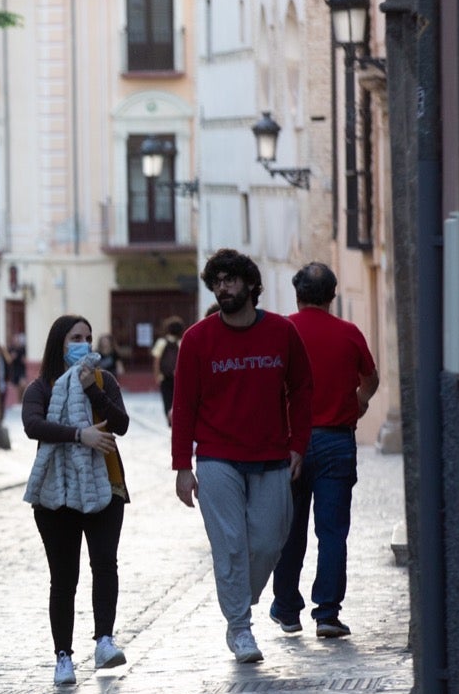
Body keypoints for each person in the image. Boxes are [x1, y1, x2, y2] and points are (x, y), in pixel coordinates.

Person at [171, 249, 313, 664]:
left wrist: (297, 444)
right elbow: (184, 404)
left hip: (271, 455)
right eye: (217, 281)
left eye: (231, 280)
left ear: (251, 285)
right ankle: (240, 627)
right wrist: (183, 466)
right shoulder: (197, 339)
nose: (223, 287)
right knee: (230, 544)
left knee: (270, 541)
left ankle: (238, 594)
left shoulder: (282, 333)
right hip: (216, 458)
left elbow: (302, 388)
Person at [269, 263, 379, 639]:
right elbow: (371, 379)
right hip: (336, 439)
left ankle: (286, 609)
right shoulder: (348, 333)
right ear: (333, 297)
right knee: (332, 532)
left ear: (297, 294)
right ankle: (328, 613)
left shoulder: (282, 331)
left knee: (289, 530)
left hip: (290, 443)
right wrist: (359, 404)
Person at [23, 315, 131, 687]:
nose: (83, 344)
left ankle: (104, 639)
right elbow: (33, 425)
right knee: (64, 577)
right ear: (60, 344)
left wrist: (91, 391)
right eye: (75, 338)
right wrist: (77, 435)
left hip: (107, 486)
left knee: (104, 563)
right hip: (57, 493)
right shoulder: (41, 386)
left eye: (87, 337)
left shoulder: (104, 380)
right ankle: (63, 656)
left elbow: (120, 423)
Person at [150, 317, 185, 425]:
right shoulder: (181, 342)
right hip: (178, 376)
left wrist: (157, 375)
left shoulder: (162, 342)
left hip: (165, 377)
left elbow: (156, 359)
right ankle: (177, 417)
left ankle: (170, 419)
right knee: (178, 399)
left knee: (167, 400)